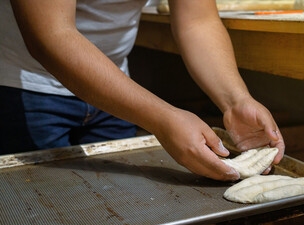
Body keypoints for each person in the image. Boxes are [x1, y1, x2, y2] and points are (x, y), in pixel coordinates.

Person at [0, 0, 284, 181]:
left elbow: (197, 21)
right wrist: (161, 117)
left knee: (116, 206)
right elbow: (50, 34)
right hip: (25, 86)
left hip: (116, 92)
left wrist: (236, 100)